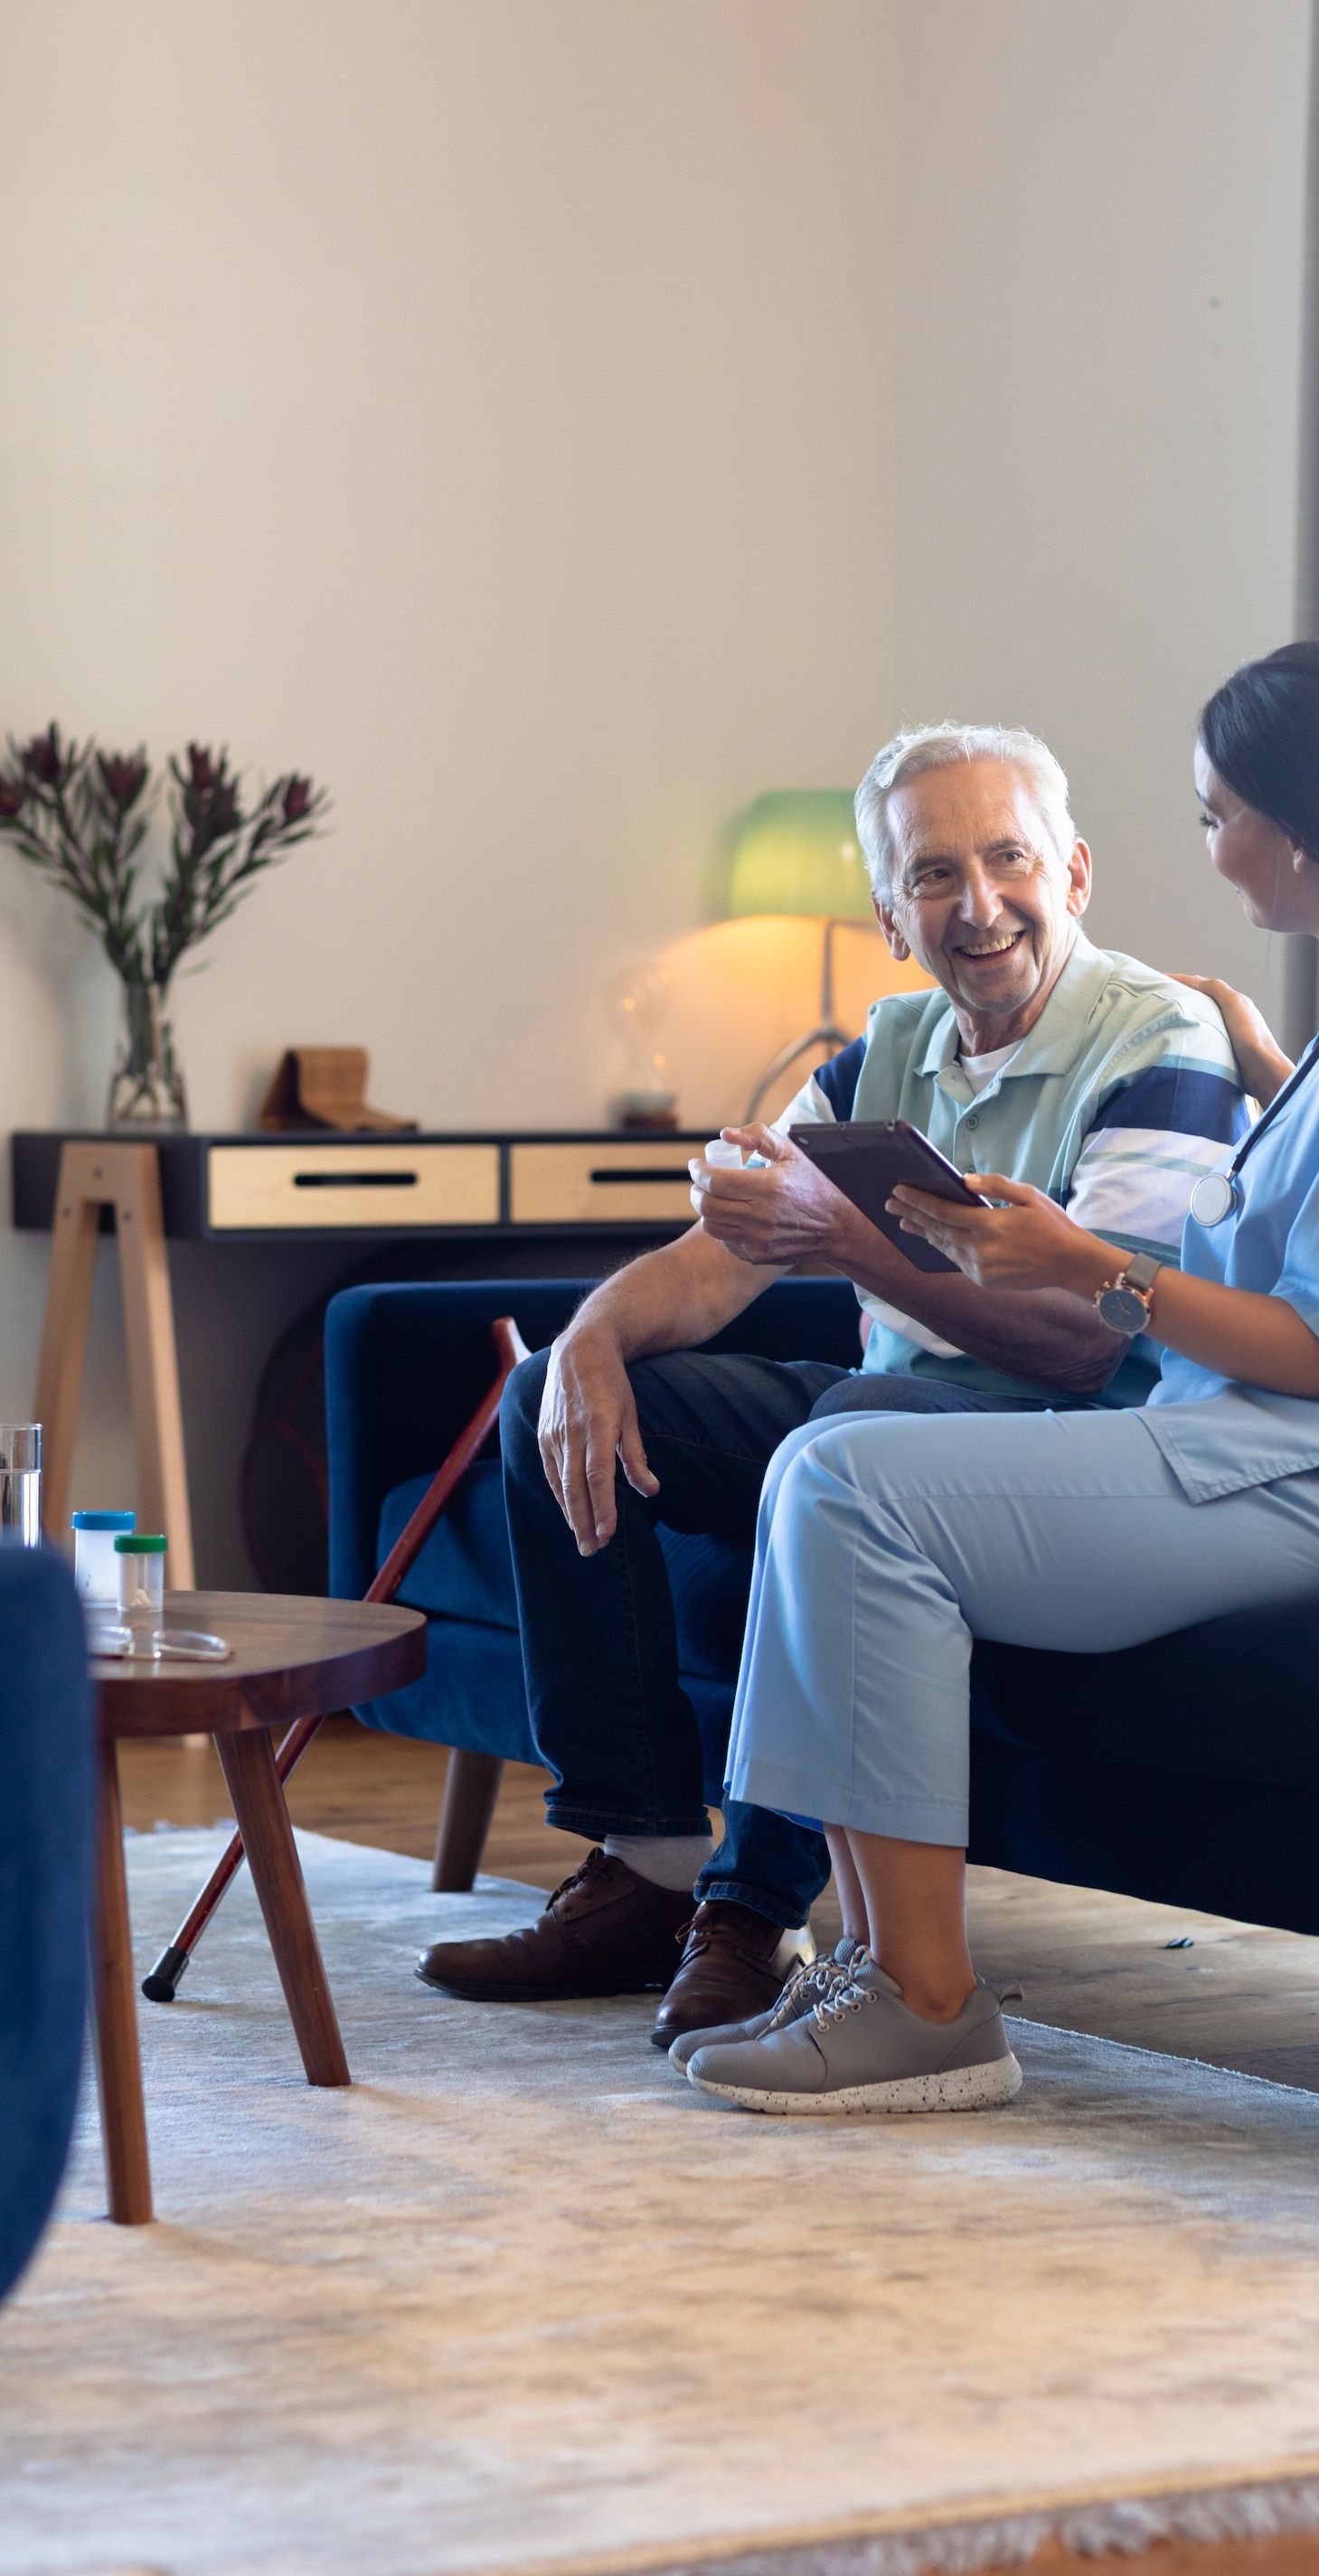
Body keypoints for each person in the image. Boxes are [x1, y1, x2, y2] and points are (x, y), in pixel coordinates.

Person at [682, 640, 1319, 2117]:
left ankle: (924, 2003)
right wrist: (1276, 1063)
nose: (1212, 848)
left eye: (1219, 814)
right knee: (824, 1465)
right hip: (1265, 1447)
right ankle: (867, 1973)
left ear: (1292, 828)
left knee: (847, 1481)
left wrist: (1084, 1265)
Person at [417, 721, 1246, 2042]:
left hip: (1079, 1453)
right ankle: (647, 1869)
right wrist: (586, 1344)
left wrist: (856, 1244)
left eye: (1007, 860)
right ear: (890, 911)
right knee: (554, 1404)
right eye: (932, 876)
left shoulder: (1163, 1044)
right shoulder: (885, 1047)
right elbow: (711, 1267)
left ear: (1075, 875)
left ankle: (750, 1910)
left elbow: (1090, 1344)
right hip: (893, 1419)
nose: (977, 907)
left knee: (848, 1440)